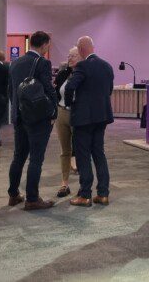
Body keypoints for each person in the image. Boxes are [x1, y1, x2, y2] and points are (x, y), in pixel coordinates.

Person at [6, 31, 58, 211]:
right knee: (36, 158)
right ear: (43, 44)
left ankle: (13, 195)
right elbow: (48, 89)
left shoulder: (15, 63)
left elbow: (11, 91)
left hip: (20, 117)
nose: (48, 48)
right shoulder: (42, 62)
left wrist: (17, 111)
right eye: (48, 45)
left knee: (18, 157)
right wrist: (54, 111)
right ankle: (32, 199)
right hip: (37, 119)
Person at [65, 36, 115, 207]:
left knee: (83, 156)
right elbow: (109, 90)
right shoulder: (107, 66)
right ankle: (103, 194)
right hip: (101, 117)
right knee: (99, 153)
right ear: (92, 47)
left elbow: (71, 87)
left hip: (83, 119)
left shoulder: (82, 66)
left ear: (80, 50)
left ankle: (85, 195)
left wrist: (71, 103)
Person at [52, 46, 80, 195]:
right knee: (65, 151)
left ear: (81, 56)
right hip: (62, 112)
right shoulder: (63, 74)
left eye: (73, 56)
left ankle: (84, 186)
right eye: (69, 55)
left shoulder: (83, 74)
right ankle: (64, 183)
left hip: (78, 115)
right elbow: (56, 93)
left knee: (81, 149)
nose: (69, 58)